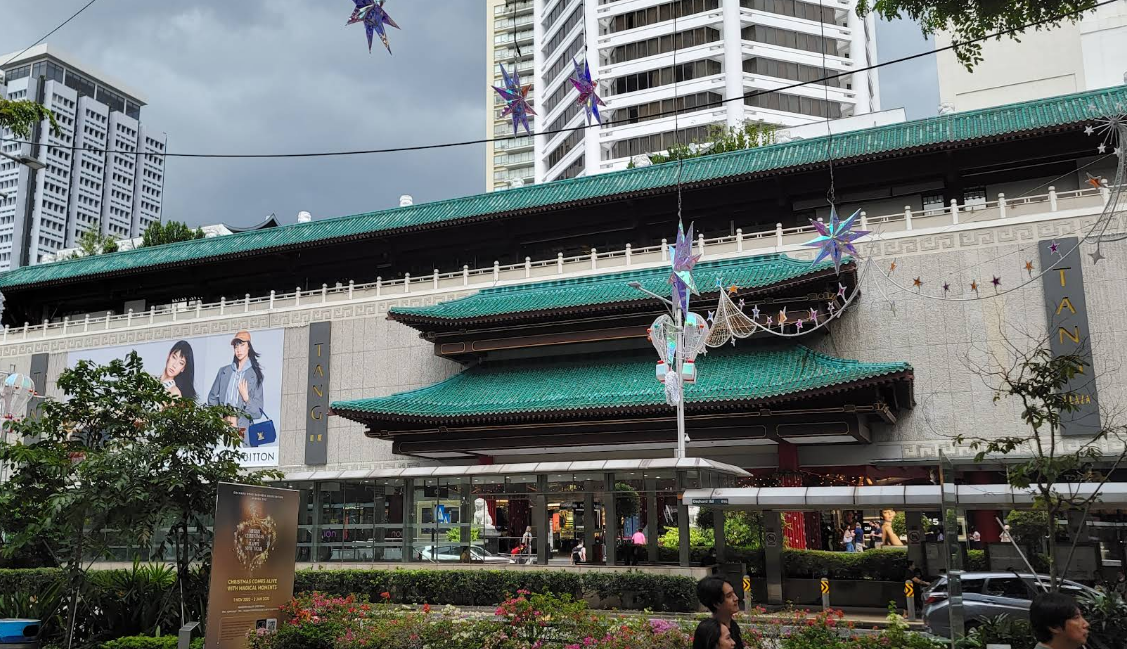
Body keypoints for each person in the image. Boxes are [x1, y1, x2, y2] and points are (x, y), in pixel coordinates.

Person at [207, 330, 265, 445]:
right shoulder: (224, 371)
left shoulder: (254, 375)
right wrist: (219, 418)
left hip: (242, 430)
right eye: (236, 346)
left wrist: (246, 398)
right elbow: (212, 398)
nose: (238, 349)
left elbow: (258, 413)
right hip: (223, 429)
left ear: (249, 347)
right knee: (219, 455)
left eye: (242, 345)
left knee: (239, 454)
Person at [696, 576, 744, 649]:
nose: (736, 598)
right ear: (716, 604)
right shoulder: (711, 632)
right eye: (729, 596)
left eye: (733, 592)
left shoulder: (733, 627)